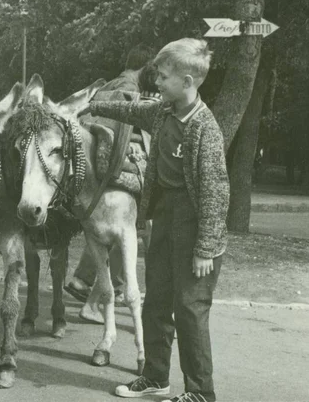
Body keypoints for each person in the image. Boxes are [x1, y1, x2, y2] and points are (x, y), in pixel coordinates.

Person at [81, 38, 229, 402]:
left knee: (190, 310)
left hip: (195, 227)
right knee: (157, 302)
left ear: (188, 82)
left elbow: (216, 193)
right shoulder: (163, 112)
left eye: (163, 77)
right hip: (162, 218)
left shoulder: (204, 129)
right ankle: (155, 378)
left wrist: (205, 249)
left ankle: (200, 392)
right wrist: (90, 105)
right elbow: (130, 113)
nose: (157, 83)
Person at [65, 43, 156, 318]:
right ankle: (105, 297)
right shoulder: (132, 89)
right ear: (145, 67)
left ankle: (89, 282)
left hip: (99, 171)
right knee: (132, 232)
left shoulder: (108, 85)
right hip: (122, 167)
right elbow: (136, 133)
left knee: (107, 232)